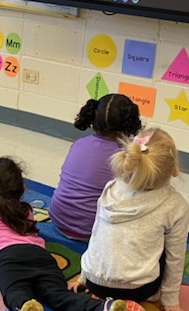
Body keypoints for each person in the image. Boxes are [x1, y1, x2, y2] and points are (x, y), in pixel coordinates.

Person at [0, 157, 130, 311]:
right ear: (20, 187)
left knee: (15, 290)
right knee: (58, 296)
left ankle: (24, 306)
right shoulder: (26, 209)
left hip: (10, 257)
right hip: (41, 256)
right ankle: (100, 308)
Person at [79, 129, 189, 311]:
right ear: (173, 169)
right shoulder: (176, 205)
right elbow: (175, 257)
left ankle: (106, 300)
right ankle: (137, 300)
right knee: (168, 246)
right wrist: (170, 300)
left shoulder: (111, 187)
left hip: (94, 282)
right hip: (139, 289)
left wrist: (83, 276)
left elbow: (96, 234)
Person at [49, 94, 143, 241]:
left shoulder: (79, 143)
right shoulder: (124, 156)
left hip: (58, 218)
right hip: (92, 230)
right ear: (130, 123)